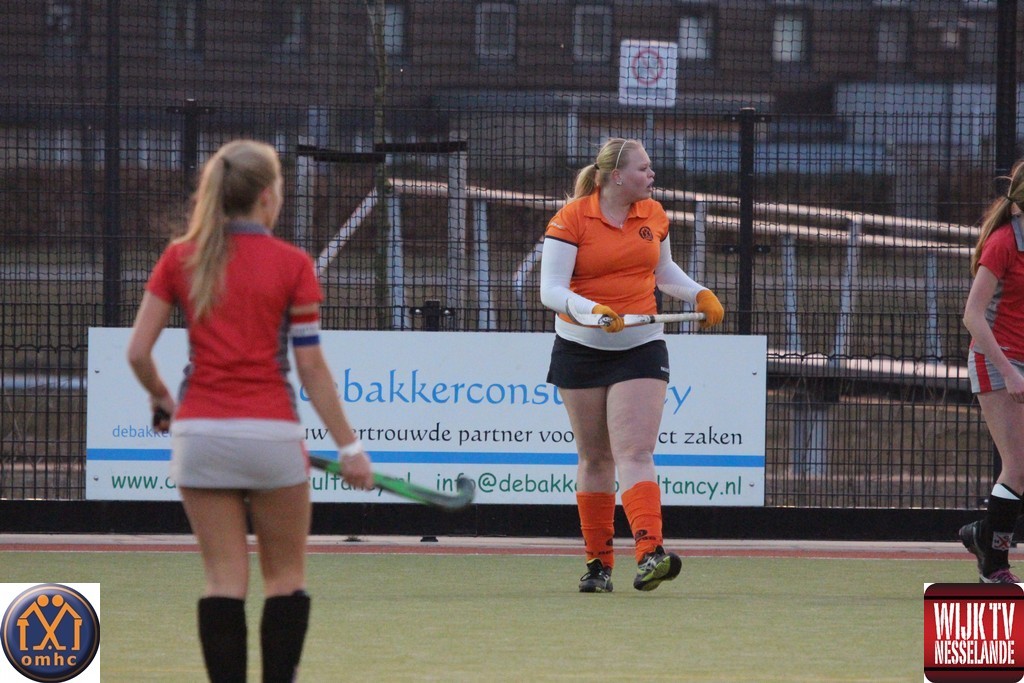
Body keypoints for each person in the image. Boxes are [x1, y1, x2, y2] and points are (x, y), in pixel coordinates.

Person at [126, 139, 375, 681]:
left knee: (223, 581)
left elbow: (138, 353)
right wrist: (350, 448)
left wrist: (164, 401)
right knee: (285, 579)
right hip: (271, 437)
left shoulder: (179, 258)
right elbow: (311, 369)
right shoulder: (293, 264)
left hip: (199, 436)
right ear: (267, 196)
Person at [539, 137, 725, 593]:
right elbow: (551, 289)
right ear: (616, 176)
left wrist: (699, 294)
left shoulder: (654, 215)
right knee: (595, 457)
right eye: (644, 168)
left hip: (641, 347)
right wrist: (593, 312)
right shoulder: (571, 218)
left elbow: (664, 272)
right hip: (580, 347)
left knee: (636, 452)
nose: (651, 175)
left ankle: (650, 553)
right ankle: (598, 565)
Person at [959, 160, 1024, 584]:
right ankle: (994, 565)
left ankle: (984, 534)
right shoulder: (1003, 242)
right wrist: (1010, 373)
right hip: (997, 360)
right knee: (1017, 467)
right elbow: (972, 315)